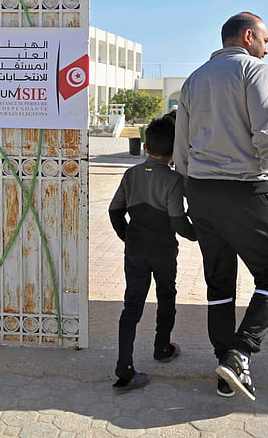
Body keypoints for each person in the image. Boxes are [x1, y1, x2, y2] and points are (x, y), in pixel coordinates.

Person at [173, 12, 268, 401]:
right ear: (248, 36)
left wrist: (189, 195)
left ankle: (227, 369)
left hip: (202, 192)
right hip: (245, 192)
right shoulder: (255, 71)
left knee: (219, 281)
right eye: (265, 41)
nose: (267, 49)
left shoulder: (194, 79)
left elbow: (181, 146)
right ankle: (241, 351)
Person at [108, 114, 197, 391]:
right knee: (166, 296)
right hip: (163, 252)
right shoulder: (173, 180)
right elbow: (178, 221)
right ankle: (162, 348)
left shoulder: (131, 174)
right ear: (174, 153)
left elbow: (114, 211)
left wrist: (128, 237)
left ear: (145, 147)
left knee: (131, 306)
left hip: (135, 252)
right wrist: (198, 234)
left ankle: (125, 367)